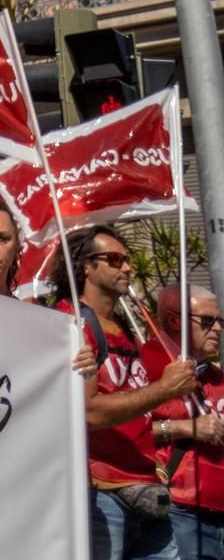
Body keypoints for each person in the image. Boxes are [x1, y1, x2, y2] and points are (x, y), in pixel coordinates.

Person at [61, 225, 196, 560]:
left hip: (146, 487)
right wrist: (164, 389)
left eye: (128, 259)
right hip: (102, 495)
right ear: (86, 267)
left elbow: (137, 410)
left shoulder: (123, 328)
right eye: (114, 259)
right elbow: (89, 412)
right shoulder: (70, 321)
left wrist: (158, 460)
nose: (126, 267)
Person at [152, 285, 224, 560]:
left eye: (220, 321)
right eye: (207, 321)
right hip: (178, 507)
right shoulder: (149, 363)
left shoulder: (216, 376)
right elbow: (123, 431)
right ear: (175, 321)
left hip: (216, 510)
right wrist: (187, 428)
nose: (217, 329)